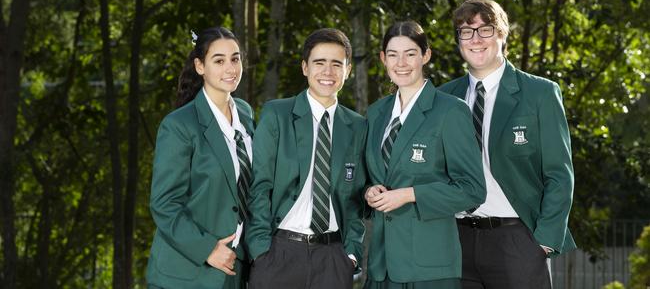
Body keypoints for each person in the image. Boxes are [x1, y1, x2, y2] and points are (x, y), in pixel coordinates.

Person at [439, 0, 576, 289]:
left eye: (485, 30)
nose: (475, 39)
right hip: (455, 240)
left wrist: (544, 242)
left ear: (502, 34)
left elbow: (559, 174)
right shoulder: (443, 98)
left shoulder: (539, 93)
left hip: (517, 241)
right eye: (466, 31)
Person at [364, 21, 486, 289]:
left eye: (410, 53)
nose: (401, 62)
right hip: (381, 265)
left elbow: (473, 189)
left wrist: (410, 194)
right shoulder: (376, 113)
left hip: (429, 268)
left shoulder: (450, 111)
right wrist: (370, 191)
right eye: (393, 54)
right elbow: (370, 176)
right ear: (383, 59)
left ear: (425, 55)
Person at [245, 28, 367, 289]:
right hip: (279, 255)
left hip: (333, 259)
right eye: (319, 63)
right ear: (304, 67)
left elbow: (355, 197)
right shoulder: (277, 114)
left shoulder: (357, 127)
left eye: (337, 64)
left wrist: (351, 253)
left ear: (348, 71)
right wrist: (260, 251)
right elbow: (259, 186)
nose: (328, 72)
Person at [146, 27, 254, 289]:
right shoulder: (179, 125)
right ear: (200, 66)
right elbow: (164, 203)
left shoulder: (246, 113)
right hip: (186, 274)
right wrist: (207, 249)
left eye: (235, 58)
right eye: (219, 60)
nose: (230, 68)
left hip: (235, 272)